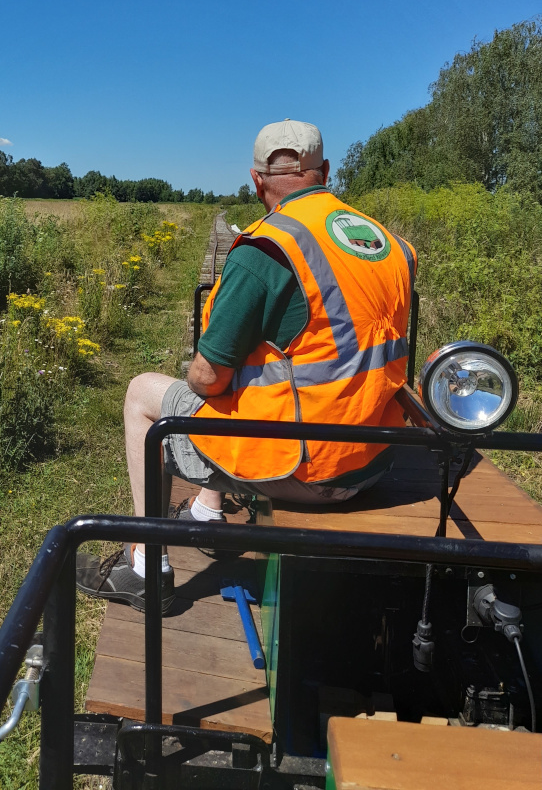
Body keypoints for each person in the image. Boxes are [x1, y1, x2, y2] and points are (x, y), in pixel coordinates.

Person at [76, 119, 417, 612]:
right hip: (375, 455)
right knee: (251, 380)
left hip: (311, 469)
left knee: (143, 395)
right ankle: (207, 512)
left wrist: (203, 373)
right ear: (325, 171)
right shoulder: (389, 244)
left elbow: (209, 379)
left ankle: (145, 567)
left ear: (256, 181)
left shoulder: (268, 247)